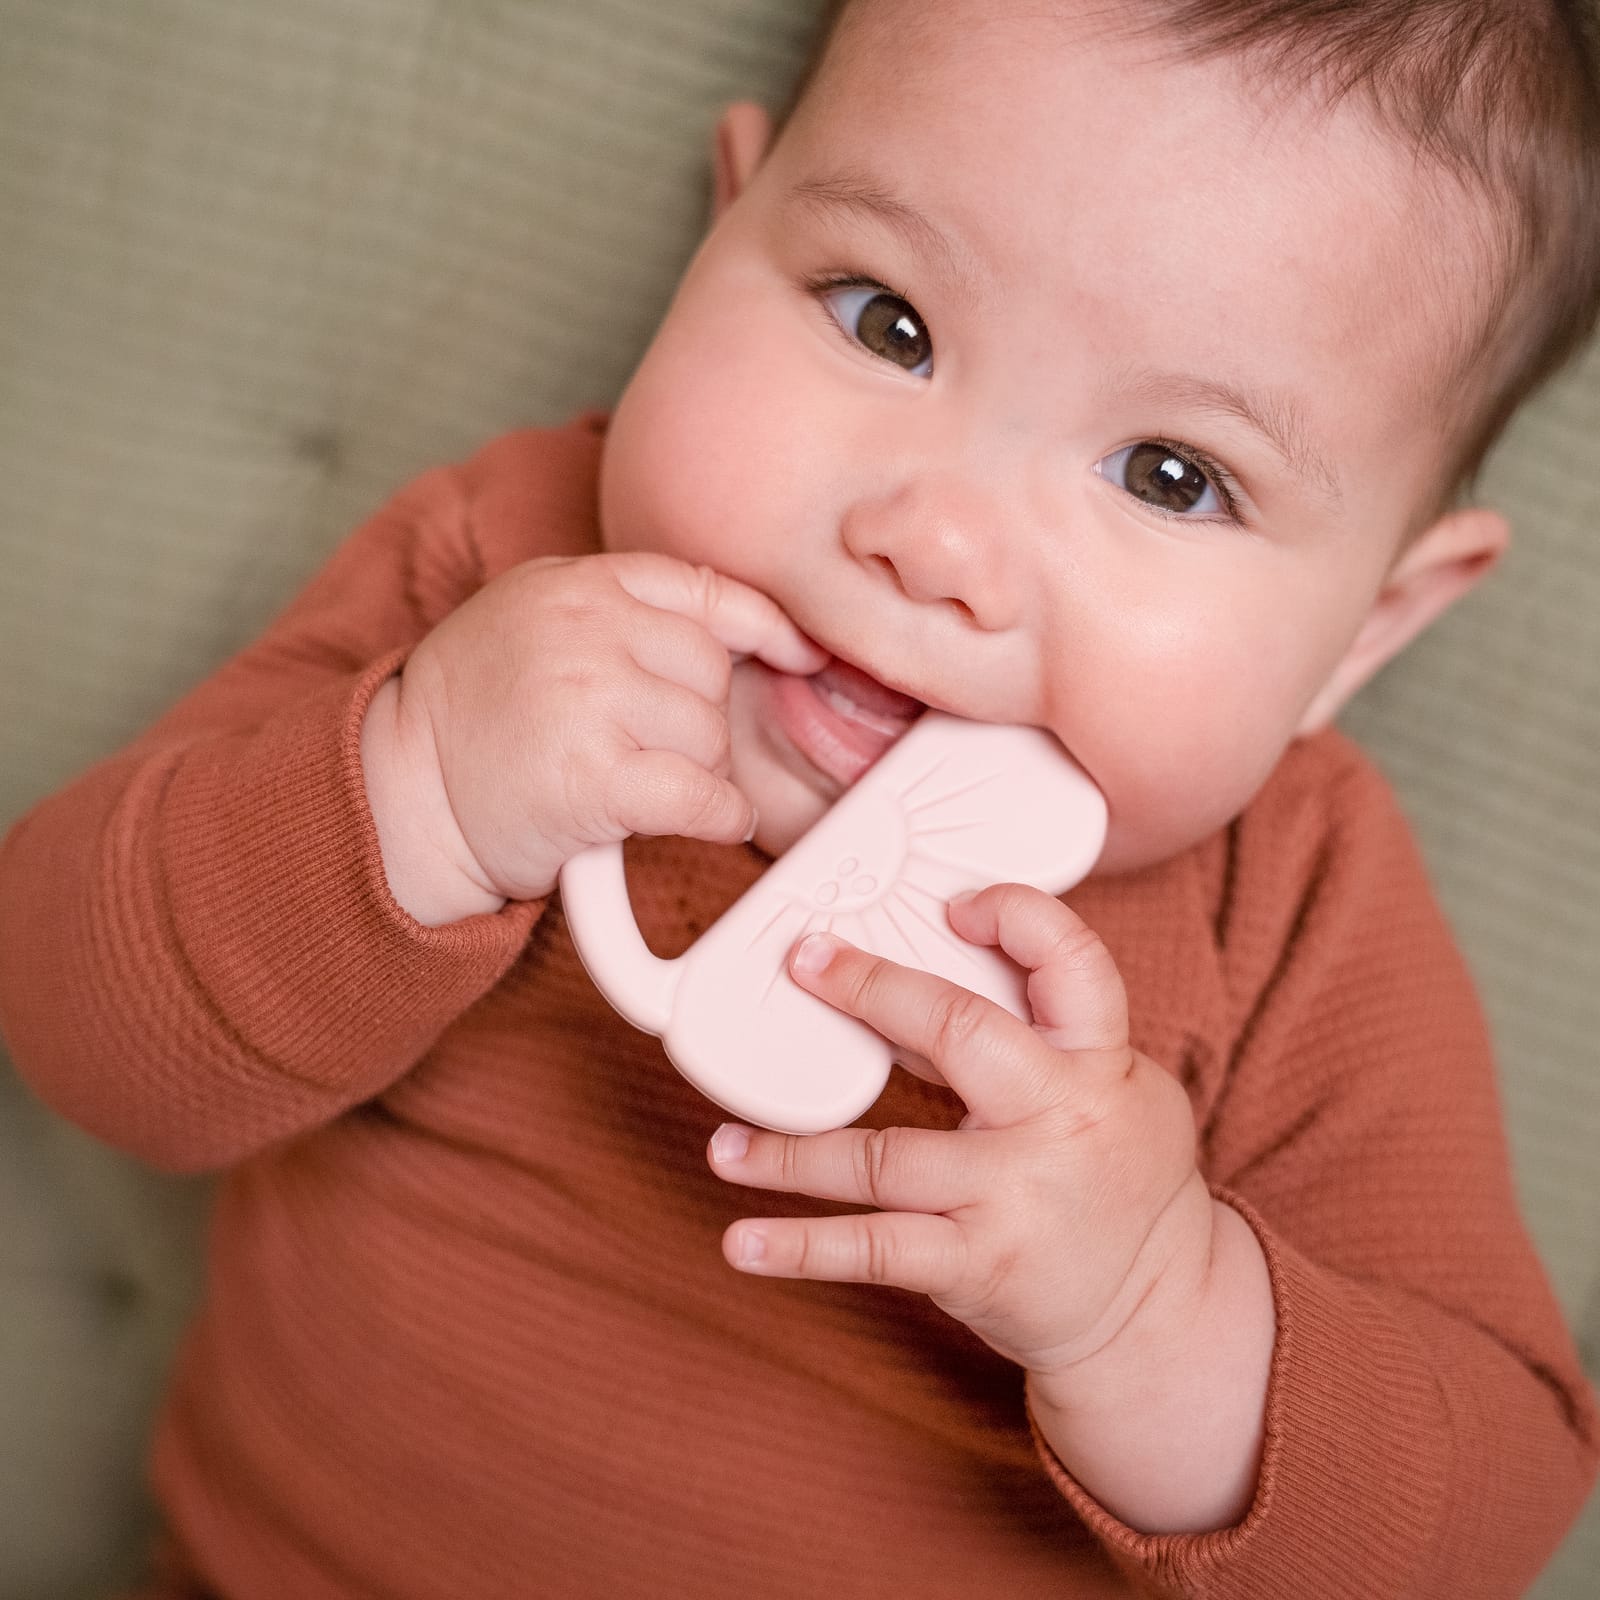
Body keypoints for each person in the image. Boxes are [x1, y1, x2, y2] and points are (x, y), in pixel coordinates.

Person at [1, 0, 1597, 1594]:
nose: (937, 542)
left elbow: (1482, 1519)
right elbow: (80, 1023)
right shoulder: (508, 587)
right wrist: (420, 791)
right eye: (884, 321)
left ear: (1368, 627)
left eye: (1172, 474)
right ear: (724, 227)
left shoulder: (1295, 898)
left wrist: (1156, 1317)